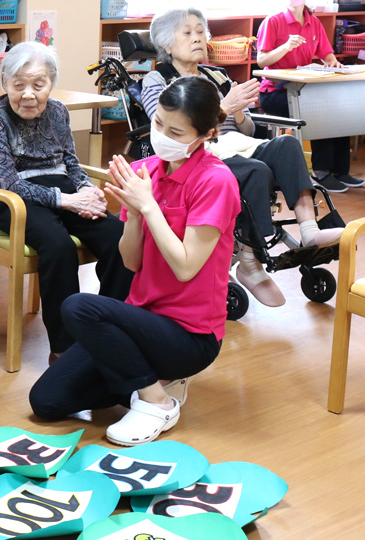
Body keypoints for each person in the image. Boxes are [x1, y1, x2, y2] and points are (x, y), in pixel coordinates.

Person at [29, 76, 240, 446]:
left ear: (204, 134)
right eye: (158, 123)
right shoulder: (149, 171)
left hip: (190, 336)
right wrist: (136, 213)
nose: (161, 135)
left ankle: (157, 401)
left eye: (175, 131)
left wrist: (147, 206)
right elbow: (130, 262)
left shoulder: (216, 181)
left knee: (80, 307)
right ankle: (148, 378)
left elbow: (186, 266)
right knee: (47, 401)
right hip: (142, 323)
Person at [142, 7, 344, 308]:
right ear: (167, 44)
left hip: (235, 143)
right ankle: (250, 261)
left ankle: (309, 230)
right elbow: (170, 131)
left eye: (200, 31)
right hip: (198, 152)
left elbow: (249, 127)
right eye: (188, 33)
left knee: (287, 145)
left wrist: (237, 111)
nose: (198, 38)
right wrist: (224, 106)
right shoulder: (158, 81)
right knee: (256, 170)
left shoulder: (218, 75)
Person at [0, 42, 134, 364]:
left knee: (118, 236)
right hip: (6, 198)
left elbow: (71, 163)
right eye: (18, 85)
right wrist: (70, 201)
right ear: (4, 82)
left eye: (38, 84)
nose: (28, 94)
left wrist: (88, 190)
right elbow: (10, 183)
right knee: (57, 246)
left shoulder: (58, 111)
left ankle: (106, 326)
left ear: (51, 83)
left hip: (59, 190)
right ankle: (64, 346)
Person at [257, 0, 365, 193]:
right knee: (320, 111)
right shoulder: (273, 21)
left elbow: (327, 54)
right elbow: (261, 60)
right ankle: (320, 172)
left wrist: (333, 63)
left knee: (341, 109)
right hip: (275, 93)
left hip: (302, 91)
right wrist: (285, 47)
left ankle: (340, 171)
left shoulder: (313, 22)